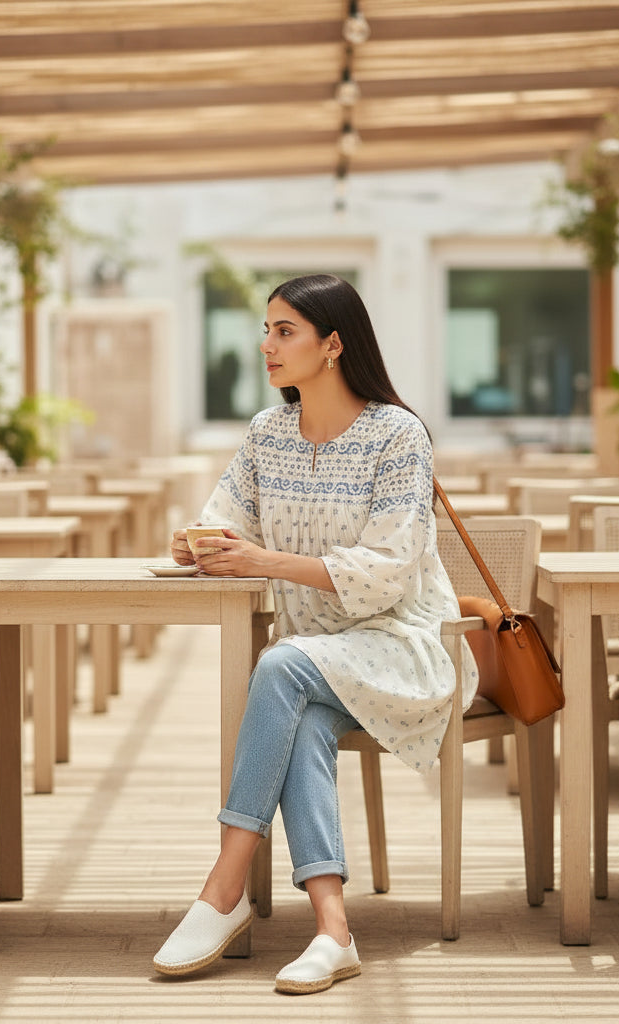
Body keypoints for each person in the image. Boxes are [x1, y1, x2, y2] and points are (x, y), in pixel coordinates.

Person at [152, 274, 477, 994]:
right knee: (293, 695)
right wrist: (199, 542)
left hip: (406, 647)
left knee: (282, 666)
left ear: (333, 345)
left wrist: (263, 560)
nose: (266, 345)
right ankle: (333, 931)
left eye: (284, 331)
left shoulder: (398, 435)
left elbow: (389, 572)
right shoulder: (268, 433)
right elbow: (227, 516)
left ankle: (223, 887)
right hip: (314, 660)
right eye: (266, 329)